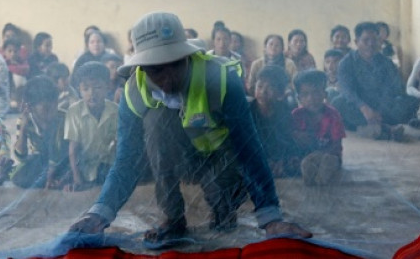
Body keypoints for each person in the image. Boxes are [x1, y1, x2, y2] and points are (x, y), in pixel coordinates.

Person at [68, 12, 311, 246]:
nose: (168, 77)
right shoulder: (134, 92)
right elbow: (126, 160)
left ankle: (224, 208)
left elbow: (248, 149)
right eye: (156, 69)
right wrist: (99, 214)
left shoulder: (221, 79)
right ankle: (172, 217)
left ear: (187, 57)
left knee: (223, 220)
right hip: (178, 161)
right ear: (142, 67)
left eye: (174, 64)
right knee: (155, 120)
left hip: (222, 160)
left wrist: (271, 218)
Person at [332, 22, 418, 141]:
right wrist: (364, 108)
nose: (371, 44)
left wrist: (379, 111)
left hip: (381, 106)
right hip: (359, 107)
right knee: (337, 102)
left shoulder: (387, 63)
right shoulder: (346, 63)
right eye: (366, 40)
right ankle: (386, 128)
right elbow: (347, 91)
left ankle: (369, 128)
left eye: (374, 40)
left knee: (410, 101)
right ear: (356, 42)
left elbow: (394, 88)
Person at [64, 62, 119, 191]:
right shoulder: (74, 112)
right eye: (86, 89)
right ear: (79, 90)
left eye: (98, 87)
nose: (92, 93)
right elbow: (73, 149)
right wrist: (76, 177)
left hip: (107, 163)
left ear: (108, 87)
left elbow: (118, 144)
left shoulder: (115, 110)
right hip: (84, 165)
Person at [10, 76, 68, 189]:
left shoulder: (64, 118)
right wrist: (23, 128)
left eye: (55, 104)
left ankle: (53, 180)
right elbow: (21, 157)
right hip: (41, 162)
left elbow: (63, 153)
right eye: (46, 108)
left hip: (62, 161)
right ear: (31, 107)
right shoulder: (25, 121)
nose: (52, 111)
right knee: (18, 175)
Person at [291, 70, 345, 187]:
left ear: (325, 94)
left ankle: (321, 177)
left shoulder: (333, 115)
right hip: (305, 155)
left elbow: (337, 145)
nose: (311, 98)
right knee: (305, 162)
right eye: (305, 94)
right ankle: (310, 173)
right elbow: (290, 139)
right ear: (299, 98)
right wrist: (296, 136)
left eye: (316, 93)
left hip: (329, 154)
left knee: (328, 162)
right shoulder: (296, 115)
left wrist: (320, 154)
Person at [249, 66, 299, 178]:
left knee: (294, 162)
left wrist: (280, 160)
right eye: (260, 86)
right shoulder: (247, 111)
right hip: (255, 153)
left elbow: (286, 140)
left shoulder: (284, 111)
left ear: (280, 93)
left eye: (270, 87)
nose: (263, 92)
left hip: (276, 155)